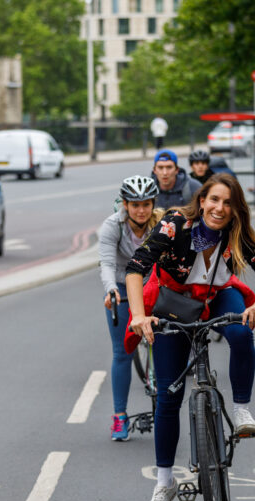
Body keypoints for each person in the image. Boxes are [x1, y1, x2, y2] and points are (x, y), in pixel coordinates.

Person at [125, 174, 255, 501]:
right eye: (214, 200)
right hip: (174, 301)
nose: (220, 208)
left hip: (217, 296)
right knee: (168, 395)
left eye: (228, 203)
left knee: (242, 332)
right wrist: (139, 315)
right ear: (202, 201)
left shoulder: (236, 231)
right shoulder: (175, 224)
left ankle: (241, 408)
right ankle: (164, 482)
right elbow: (136, 267)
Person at [99, 176, 163, 441]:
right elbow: (106, 264)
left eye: (146, 204)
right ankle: (119, 416)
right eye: (135, 204)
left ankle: (165, 410)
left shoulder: (162, 225)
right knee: (122, 352)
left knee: (163, 346)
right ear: (125, 204)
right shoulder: (112, 226)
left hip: (154, 285)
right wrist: (110, 289)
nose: (140, 210)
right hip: (122, 288)